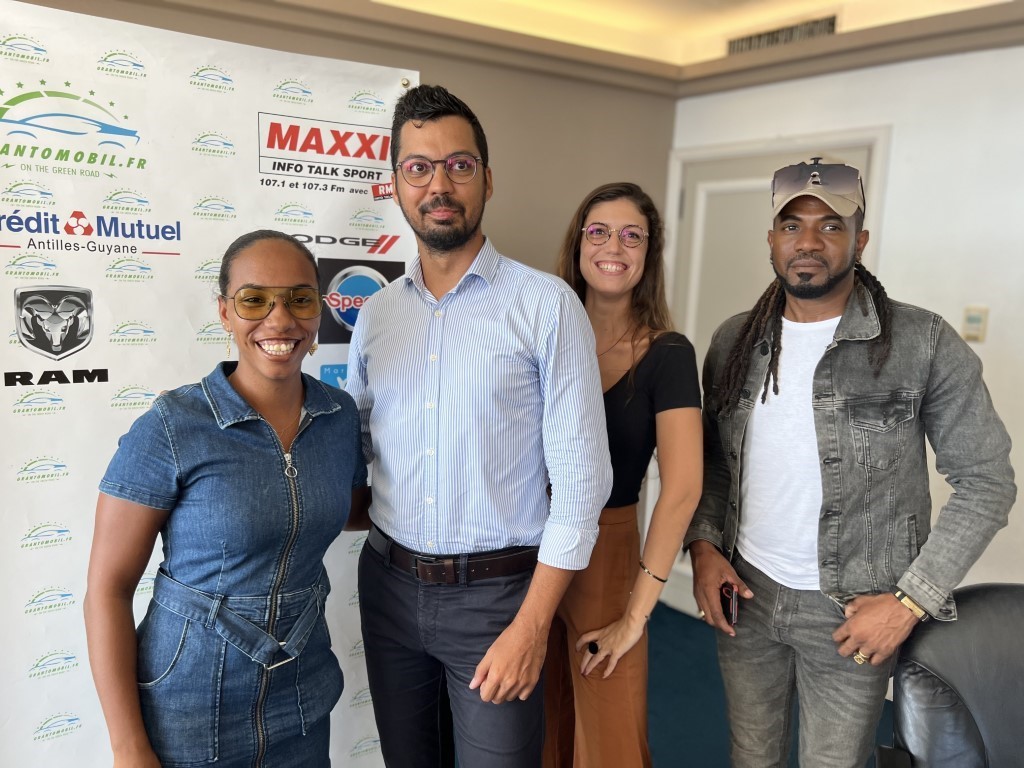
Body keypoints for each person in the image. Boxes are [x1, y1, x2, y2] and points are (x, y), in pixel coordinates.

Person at [684, 158, 1016, 767]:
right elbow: (716, 464)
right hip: (747, 594)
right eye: (792, 225)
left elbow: (986, 482)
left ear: (859, 241)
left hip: (853, 609)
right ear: (771, 239)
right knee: (751, 756)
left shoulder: (921, 342)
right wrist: (704, 548)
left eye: (831, 226)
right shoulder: (734, 341)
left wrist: (909, 601)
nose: (808, 241)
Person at [345, 84, 612, 768]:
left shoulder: (545, 306)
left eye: (458, 166)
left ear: (487, 180)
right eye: (419, 168)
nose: (439, 185)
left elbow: (582, 486)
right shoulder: (376, 316)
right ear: (396, 185)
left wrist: (533, 624)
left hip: (500, 601)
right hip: (389, 589)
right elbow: (360, 452)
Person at [84, 230, 368, 767]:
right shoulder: (173, 426)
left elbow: (354, 509)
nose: (279, 319)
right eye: (254, 300)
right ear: (224, 312)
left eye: (299, 298)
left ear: (319, 309)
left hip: (303, 698)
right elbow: (108, 590)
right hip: (189, 707)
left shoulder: (339, 415)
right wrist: (128, 747)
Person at [543, 182, 702, 767]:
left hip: (606, 552)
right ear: (578, 243)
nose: (614, 246)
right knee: (536, 723)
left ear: (648, 253)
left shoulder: (669, 354)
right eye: (600, 232)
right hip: (525, 545)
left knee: (610, 737)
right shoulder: (542, 336)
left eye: (632, 235)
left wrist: (635, 617)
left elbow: (682, 490)